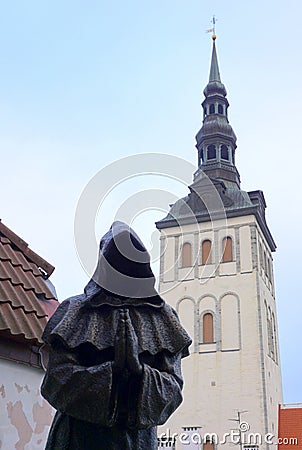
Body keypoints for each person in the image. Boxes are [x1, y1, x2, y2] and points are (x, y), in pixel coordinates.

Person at [41, 221, 192, 450]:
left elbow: (172, 389)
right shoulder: (76, 310)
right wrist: (111, 374)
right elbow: (56, 381)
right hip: (77, 439)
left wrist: (139, 375)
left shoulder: (163, 318)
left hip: (136, 441)